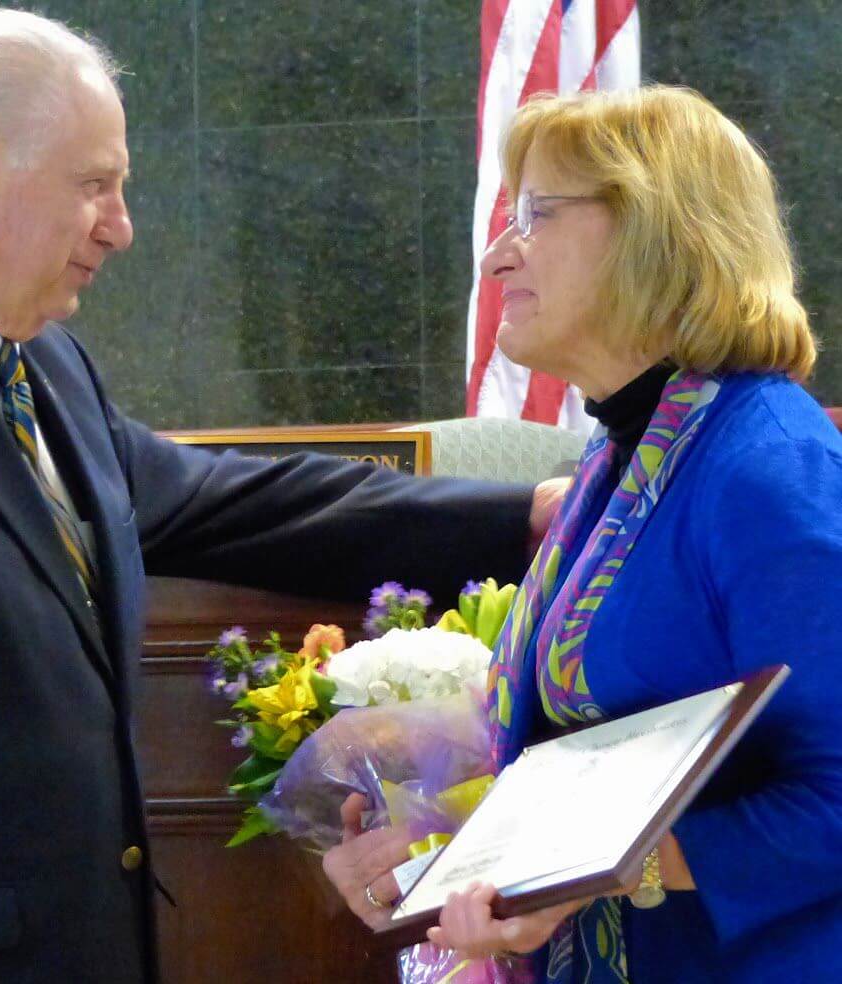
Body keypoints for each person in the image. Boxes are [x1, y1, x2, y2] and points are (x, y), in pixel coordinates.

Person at [0, 9, 567, 984]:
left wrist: (523, 516)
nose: (120, 225)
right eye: (94, 185)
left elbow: (236, 503)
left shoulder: (43, 366)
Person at [324, 85, 842, 982]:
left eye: (535, 214)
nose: (496, 256)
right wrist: (439, 847)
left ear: (655, 227)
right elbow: (587, 752)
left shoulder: (769, 466)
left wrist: (591, 874)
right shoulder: (620, 454)